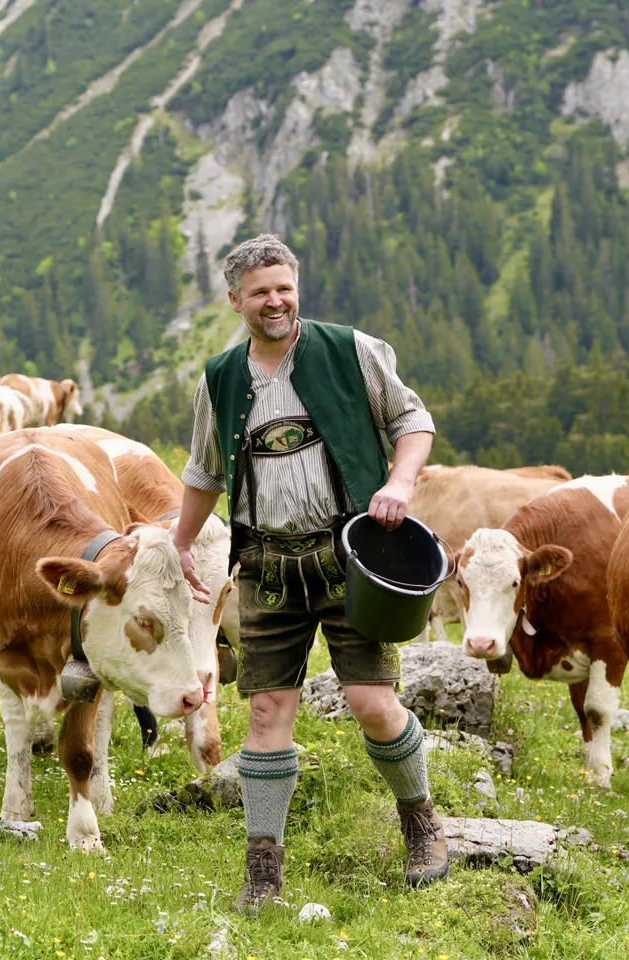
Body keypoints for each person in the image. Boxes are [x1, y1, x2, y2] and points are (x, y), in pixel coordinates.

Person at [172, 234, 445, 916]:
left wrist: (401, 483)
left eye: (284, 287)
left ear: (298, 286)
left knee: (373, 704)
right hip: (264, 564)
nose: (276, 301)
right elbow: (205, 471)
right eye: (260, 291)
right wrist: (178, 542)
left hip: (351, 558)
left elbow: (413, 420)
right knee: (266, 711)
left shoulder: (351, 350)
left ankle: (421, 822)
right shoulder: (221, 376)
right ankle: (263, 871)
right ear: (236, 300)